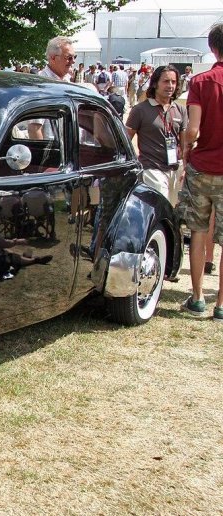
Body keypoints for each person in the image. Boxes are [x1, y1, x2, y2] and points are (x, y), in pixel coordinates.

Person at [179, 23, 223, 319]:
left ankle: (197, 297)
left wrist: (185, 148)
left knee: (197, 230)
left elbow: (192, 129)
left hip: (203, 166)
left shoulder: (201, 81)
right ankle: (221, 304)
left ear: (212, 47)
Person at [125, 65, 186, 207]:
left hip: (176, 170)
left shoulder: (180, 110)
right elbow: (126, 140)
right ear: (155, 83)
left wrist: (187, 167)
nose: (170, 86)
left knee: (174, 211)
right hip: (152, 170)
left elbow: (185, 144)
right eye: (166, 81)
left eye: (173, 82)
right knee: (160, 208)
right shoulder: (140, 110)